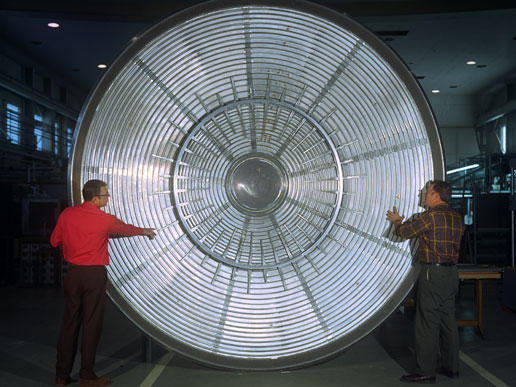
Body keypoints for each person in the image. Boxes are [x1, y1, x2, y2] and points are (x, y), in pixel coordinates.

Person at [51, 180, 156, 387]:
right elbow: (126, 229)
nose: (108, 198)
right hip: (94, 275)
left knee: (69, 324)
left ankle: (61, 376)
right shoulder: (104, 219)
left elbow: (55, 241)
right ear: (95, 198)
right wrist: (146, 231)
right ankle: (87, 376)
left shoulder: (67, 214)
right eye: (106, 195)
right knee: (92, 325)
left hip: (72, 274)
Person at [386, 180, 465, 384]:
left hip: (433, 273)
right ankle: (451, 367)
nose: (424, 195)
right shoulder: (457, 218)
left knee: (427, 323)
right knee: (448, 320)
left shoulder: (431, 216)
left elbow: (403, 233)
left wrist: (397, 221)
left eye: (427, 192)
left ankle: (425, 371)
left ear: (436, 196)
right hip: (451, 274)